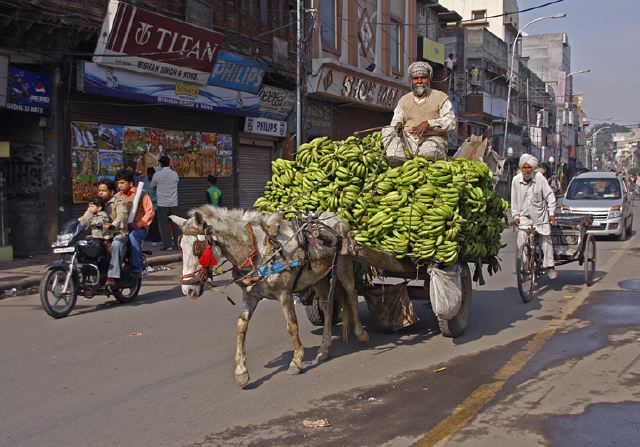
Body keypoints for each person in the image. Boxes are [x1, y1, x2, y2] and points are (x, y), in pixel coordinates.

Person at [389, 61, 457, 162]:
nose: (419, 81)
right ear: (411, 80)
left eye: (423, 77)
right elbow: (396, 120)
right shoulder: (404, 100)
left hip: (433, 140)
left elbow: (451, 122)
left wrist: (429, 123)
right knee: (387, 134)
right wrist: (397, 125)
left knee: (426, 152)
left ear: (429, 79)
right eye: (415, 78)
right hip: (409, 140)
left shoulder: (440, 97)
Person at [511, 154, 558, 279]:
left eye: (529, 168)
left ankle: (549, 265)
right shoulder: (516, 180)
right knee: (521, 238)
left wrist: (551, 214)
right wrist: (515, 216)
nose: (526, 170)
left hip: (540, 217)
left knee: (546, 239)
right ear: (521, 168)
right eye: (524, 168)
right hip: (524, 218)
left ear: (533, 169)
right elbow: (514, 200)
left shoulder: (540, 178)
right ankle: (526, 265)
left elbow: (550, 196)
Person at [115, 171, 155, 278]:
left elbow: (150, 212)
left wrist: (138, 224)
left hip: (139, 229)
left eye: (122, 183)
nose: (119, 186)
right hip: (122, 228)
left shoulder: (141, 193)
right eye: (118, 183)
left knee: (133, 237)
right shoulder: (117, 196)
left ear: (131, 183)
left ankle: (137, 269)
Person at [90, 180, 128, 286]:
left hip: (118, 233)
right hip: (100, 234)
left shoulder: (119, 202)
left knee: (116, 244)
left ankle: (112, 276)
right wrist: (78, 222)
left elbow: (122, 216)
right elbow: (87, 215)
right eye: (99, 191)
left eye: (104, 191)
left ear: (111, 192)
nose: (100, 193)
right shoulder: (96, 203)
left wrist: (113, 224)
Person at [150, 155, 181, 251]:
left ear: (160, 164)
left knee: (164, 225)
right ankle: (177, 244)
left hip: (162, 203)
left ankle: (167, 245)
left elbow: (151, 186)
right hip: (173, 202)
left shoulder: (157, 175)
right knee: (175, 224)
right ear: (169, 163)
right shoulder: (175, 174)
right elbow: (177, 183)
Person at [142, 167, 160, 242]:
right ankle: (149, 236)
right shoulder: (144, 180)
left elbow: (159, 195)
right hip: (146, 206)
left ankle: (156, 237)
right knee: (148, 222)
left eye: (151, 175)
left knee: (154, 223)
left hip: (155, 206)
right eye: (149, 174)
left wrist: (152, 200)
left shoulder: (156, 181)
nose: (150, 176)